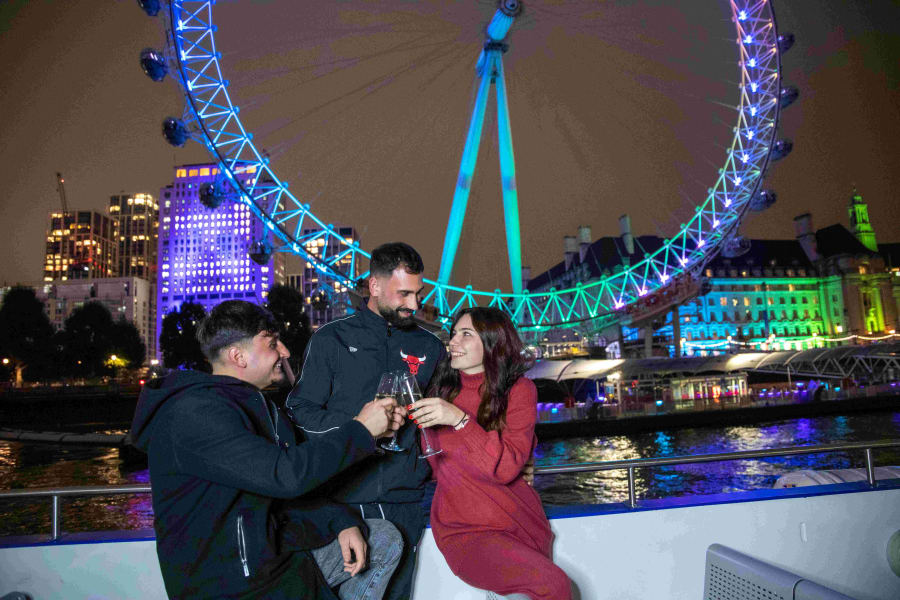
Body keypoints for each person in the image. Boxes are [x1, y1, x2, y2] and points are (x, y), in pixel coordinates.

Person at [131, 300, 404, 599]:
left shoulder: (261, 408)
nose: (285, 352)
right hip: (230, 585)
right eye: (273, 343)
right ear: (239, 356)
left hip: (275, 557)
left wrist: (340, 521)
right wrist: (362, 430)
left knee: (382, 538)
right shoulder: (194, 414)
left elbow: (287, 491)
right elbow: (285, 475)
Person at [286, 242, 445, 600]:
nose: (414, 304)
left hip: (405, 499)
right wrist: (357, 426)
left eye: (418, 293)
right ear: (374, 286)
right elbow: (300, 411)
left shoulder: (431, 346)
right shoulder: (330, 339)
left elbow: (440, 419)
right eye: (403, 293)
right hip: (345, 497)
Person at [410, 307, 572, 600]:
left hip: (522, 522)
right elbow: (431, 466)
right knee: (555, 585)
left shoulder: (519, 390)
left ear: (491, 344)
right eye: (454, 333)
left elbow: (507, 467)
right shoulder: (439, 392)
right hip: (465, 532)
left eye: (466, 334)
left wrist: (460, 421)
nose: (453, 342)